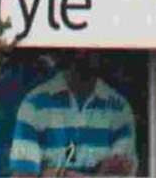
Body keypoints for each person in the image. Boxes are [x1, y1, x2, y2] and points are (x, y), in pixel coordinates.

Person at [8, 51, 137, 176]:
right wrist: (98, 172)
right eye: (79, 47)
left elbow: (122, 171)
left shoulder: (119, 109)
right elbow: (22, 173)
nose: (84, 52)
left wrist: (53, 173)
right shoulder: (34, 105)